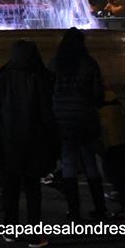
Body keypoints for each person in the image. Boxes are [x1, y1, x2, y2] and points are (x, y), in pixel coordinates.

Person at [0, 40, 57, 248]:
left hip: (8, 141)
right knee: (33, 189)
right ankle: (35, 236)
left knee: (10, 188)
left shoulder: (2, 78)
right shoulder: (40, 78)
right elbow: (47, 114)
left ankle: (10, 230)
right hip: (34, 142)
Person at [49, 28, 107, 220]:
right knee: (90, 161)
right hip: (85, 117)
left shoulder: (56, 64)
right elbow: (98, 93)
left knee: (68, 163)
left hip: (63, 119)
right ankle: (100, 208)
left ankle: (74, 211)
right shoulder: (89, 64)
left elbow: (48, 89)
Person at [98, 81, 125, 218]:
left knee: (113, 172)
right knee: (123, 173)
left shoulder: (98, 104)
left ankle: (124, 200)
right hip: (121, 141)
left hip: (108, 143)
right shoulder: (115, 103)